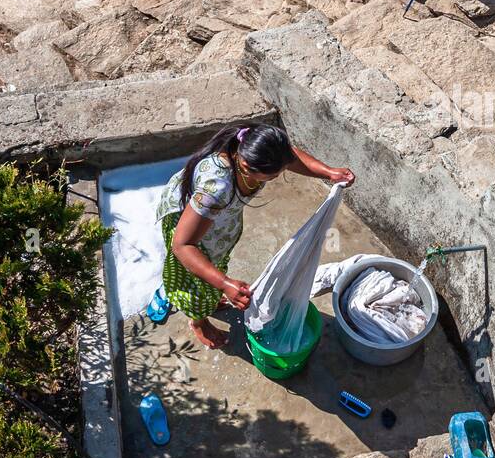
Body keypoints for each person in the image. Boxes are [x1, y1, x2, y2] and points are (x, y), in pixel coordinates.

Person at [147, 123, 355, 349]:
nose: (277, 176)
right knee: (195, 284)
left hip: (218, 221)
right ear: (245, 166)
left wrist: (328, 172)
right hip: (188, 228)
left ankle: (212, 296)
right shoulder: (216, 189)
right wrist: (226, 284)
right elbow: (183, 245)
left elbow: (290, 157)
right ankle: (198, 320)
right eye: (273, 175)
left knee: (216, 263)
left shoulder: (253, 145)